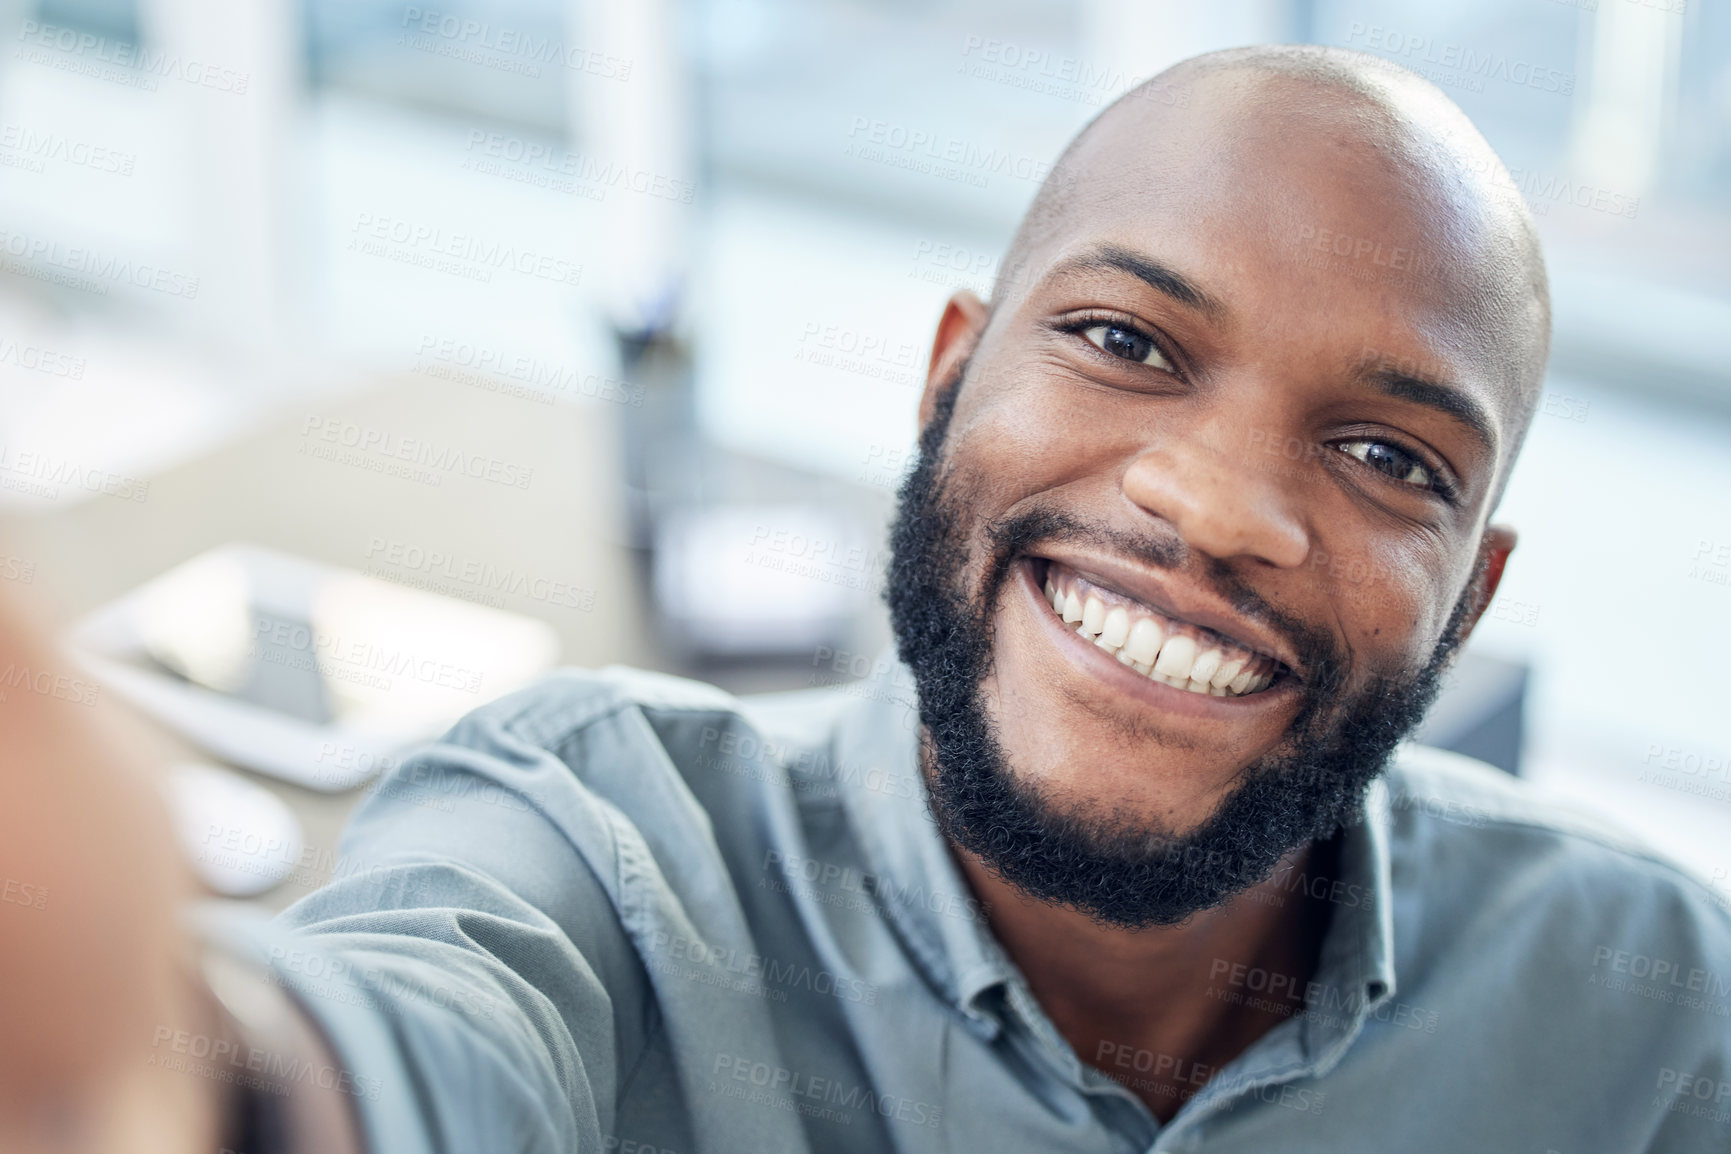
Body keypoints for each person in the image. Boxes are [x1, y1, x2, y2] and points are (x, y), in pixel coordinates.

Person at [4, 44, 1728, 1153]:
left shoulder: (1650, 1003)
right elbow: (407, 1033)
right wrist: (153, 1070)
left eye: (1388, 458)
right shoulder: (592, 838)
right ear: (947, 382)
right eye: (1124, 343)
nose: (1216, 507)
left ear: (1472, 598)